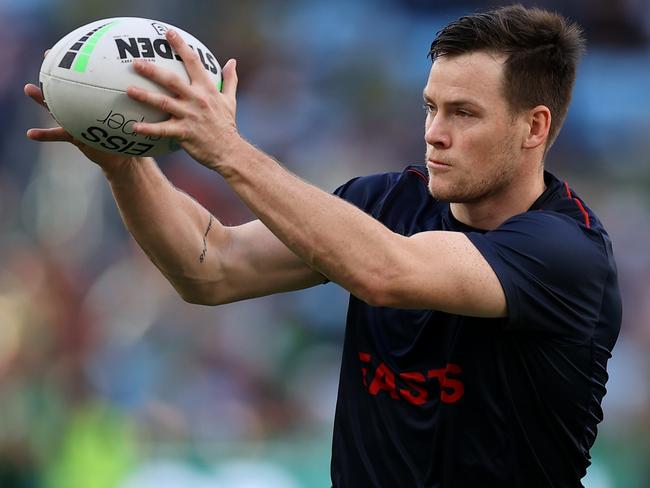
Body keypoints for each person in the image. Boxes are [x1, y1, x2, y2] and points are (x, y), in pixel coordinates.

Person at [25, 4, 621, 487]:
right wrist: (125, 163)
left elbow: (386, 271)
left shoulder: (565, 252)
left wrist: (227, 150)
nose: (435, 134)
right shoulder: (384, 202)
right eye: (430, 107)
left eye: (464, 113)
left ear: (535, 127)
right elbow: (211, 267)